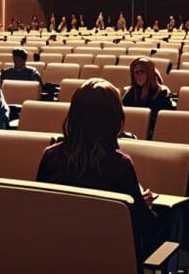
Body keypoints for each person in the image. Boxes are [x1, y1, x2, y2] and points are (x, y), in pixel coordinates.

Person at [37, 78, 160, 263]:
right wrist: (144, 206)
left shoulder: (50, 156)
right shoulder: (120, 165)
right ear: (114, 118)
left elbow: (41, 210)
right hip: (106, 259)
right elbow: (142, 225)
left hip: (57, 255)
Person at [122, 58, 174, 137]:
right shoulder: (131, 92)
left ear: (150, 73)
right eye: (136, 72)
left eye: (142, 72)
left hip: (153, 133)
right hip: (131, 132)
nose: (138, 75)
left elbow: (164, 121)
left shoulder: (162, 93)